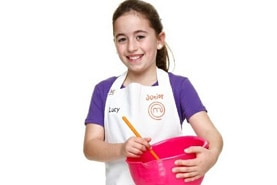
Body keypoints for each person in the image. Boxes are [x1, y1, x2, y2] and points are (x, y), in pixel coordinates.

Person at [83, 0, 223, 184]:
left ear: (159, 40)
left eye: (140, 36)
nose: (131, 47)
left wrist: (210, 157)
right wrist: (121, 149)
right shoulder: (104, 91)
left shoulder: (178, 86)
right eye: (122, 39)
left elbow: (211, 135)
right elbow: (90, 147)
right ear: (115, 43)